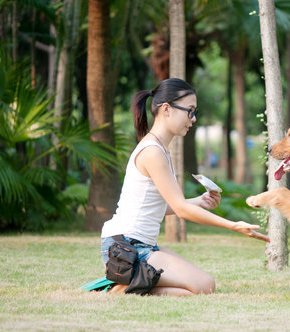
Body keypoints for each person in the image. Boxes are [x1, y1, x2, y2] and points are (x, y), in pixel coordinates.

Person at [100, 78, 269, 296]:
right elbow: (180, 209)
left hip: (138, 245)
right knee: (203, 286)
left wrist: (197, 202)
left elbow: (158, 206)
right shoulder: (152, 151)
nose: (194, 118)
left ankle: (129, 281)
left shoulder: (161, 149)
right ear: (167, 109)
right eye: (189, 111)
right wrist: (233, 225)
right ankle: (122, 286)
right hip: (126, 247)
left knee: (200, 286)